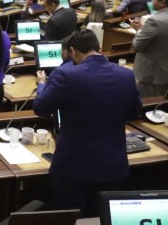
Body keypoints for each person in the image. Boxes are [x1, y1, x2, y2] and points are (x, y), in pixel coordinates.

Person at [32, 29, 143, 214]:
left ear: (73, 51)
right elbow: (135, 112)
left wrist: (42, 85)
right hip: (113, 166)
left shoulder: (66, 75)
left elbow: (41, 108)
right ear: (98, 48)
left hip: (74, 167)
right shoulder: (126, 75)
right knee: (103, 223)